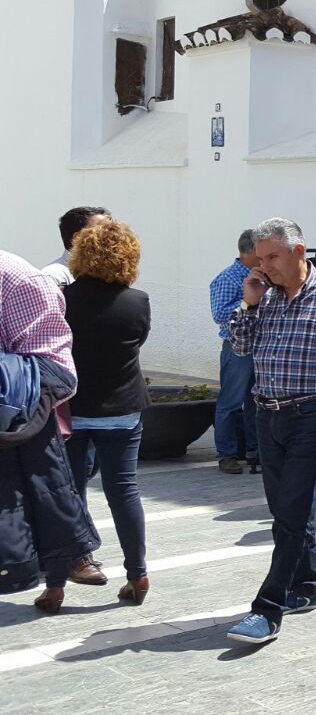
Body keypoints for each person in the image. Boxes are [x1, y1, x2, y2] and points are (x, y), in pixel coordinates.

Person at [224, 218, 316, 645]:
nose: (263, 265)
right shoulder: (264, 296)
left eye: (272, 257)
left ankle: (267, 608)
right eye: (260, 258)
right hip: (266, 415)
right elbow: (241, 346)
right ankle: (309, 583)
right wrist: (249, 304)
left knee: (290, 514)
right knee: (285, 511)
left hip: (312, 415)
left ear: (298, 252)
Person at [0, 250, 100, 614]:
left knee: (46, 492)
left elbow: (55, 368)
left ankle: (62, 567)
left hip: (20, 413)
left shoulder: (20, 279)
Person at [61, 221, 152, 605]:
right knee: (124, 490)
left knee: (70, 490)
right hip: (123, 408)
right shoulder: (138, 300)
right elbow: (139, 340)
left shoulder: (64, 297)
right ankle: (138, 573)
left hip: (74, 407)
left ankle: (74, 563)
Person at [210, 229, 260, 474]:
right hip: (237, 348)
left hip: (261, 346)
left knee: (256, 402)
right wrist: (247, 301)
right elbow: (219, 314)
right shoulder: (228, 278)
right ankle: (226, 455)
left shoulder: (265, 275)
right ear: (251, 250)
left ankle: (254, 451)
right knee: (230, 402)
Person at [39, 206, 110, 286]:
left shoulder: (113, 274)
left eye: (112, 230)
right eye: (102, 231)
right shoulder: (54, 276)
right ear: (77, 238)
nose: (112, 236)